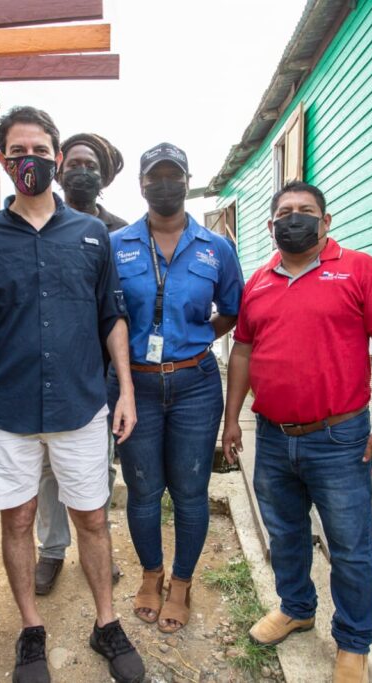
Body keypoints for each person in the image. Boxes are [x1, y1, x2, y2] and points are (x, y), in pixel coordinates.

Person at [0, 106, 145, 683]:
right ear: (5, 161)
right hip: (8, 412)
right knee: (18, 523)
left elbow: (111, 315)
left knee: (91, 519)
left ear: (56, 160)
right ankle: (31, 629)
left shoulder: (91, 234)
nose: (29, 160)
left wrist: (126, 392)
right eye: (18, 152)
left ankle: (106, 622)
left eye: (39, 151)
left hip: (80, 406)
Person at [221, 180, 372, 683]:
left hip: (339, 437)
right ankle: (297, 607)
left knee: (349, 545)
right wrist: (230, 420)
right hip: (273, 435)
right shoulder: (257, 281)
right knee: (284, 533)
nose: (295, 217)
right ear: (271, 225)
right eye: (285, 211)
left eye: (306, 211)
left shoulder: (359, 269)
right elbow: (241, 352)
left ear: (327, 222)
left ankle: (353, 642)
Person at [107, 143, 244, 634]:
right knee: (143, 492)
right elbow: (107, 316)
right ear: (141, 185)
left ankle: (182, 582)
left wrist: (194, 339)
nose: (164, 185)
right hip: (134, 386)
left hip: (195, 385)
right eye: (155, 177)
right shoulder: (116, 244)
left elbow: (232, 309)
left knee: (190, 492)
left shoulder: (216, 248)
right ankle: (151, 575)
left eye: (174, 176)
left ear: (188, 181)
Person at [34, 133, 128, 595]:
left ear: (104, 175)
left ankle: (98, 548)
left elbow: (123, 307)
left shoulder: (121, 231)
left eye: (91, 164)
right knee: (48, 464)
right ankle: (51, 549)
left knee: (99, 465)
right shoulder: (37, 221)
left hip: (102, 373)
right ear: (58, 167)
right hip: (51, 367)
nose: (81, 172)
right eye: (73, 163)